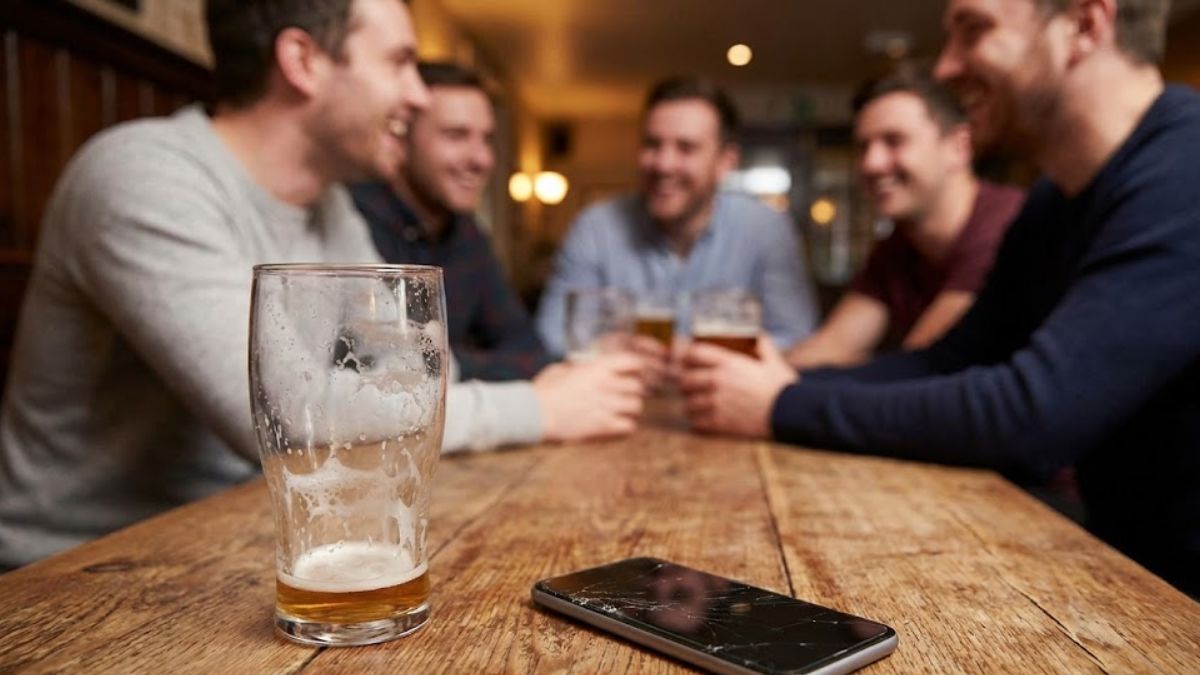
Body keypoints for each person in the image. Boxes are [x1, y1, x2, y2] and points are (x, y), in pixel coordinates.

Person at [0, 0, 643, 571]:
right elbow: (282, 414)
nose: (418, 95)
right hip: (79, 570)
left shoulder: (329, 206)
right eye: (399, 63)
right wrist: (541, 410)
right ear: (303, 60)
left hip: (244, 536)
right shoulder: (141, 175)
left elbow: (424, 374)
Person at [681, 0, 1200, 596]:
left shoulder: (1186, 169)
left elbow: (1034, 414)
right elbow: (947, 360)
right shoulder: (1053, 204)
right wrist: (783, 390)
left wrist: (780, 407)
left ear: (1084, 25)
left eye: (973, 29)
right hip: (1123, 573)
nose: (947, 67)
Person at [535, 77, 819, 361]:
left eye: (686, 148)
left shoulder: (765, 228)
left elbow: (796, 336)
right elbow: (552, 335)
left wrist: (694, 355)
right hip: (622, 399)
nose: (663, 164)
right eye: (652, 144)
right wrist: (614, 347)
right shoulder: (595, 227)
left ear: (726, 162)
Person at [787, 66, 1023, 369]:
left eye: (894, 141)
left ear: (958, 146)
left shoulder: (1007, 225)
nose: (871, 164)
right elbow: (830, 348)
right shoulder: (898, 248)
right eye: (863, 147)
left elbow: (919, 369)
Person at [352, 62, 553, 382]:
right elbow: (376, 368)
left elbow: (529, 350)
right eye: (456, 135)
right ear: (401, 138)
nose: (482, 159)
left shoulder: (468, 236)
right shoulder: (353, 219)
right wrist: (457, 360)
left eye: (486, 139)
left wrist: (448, 360)